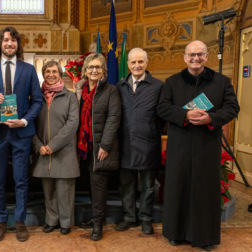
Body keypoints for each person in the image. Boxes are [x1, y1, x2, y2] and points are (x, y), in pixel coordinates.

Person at [157, 40, 240, 251]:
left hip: (207, 144)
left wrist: (211, 118)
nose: (196, 58)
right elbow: (163, 108)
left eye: (200, 54)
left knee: (204, 192)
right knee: (178, 188)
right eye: (192, 55)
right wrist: (185, 114)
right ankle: (175, 233)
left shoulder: (221, 81)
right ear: (185, 57)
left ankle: (204, 238)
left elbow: (232, 107)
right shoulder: (172, 82)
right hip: (180, 145)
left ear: (206, 56)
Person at [0, 26, 43, 242]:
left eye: (14, 40)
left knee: (21, 179)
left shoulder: (28, 69)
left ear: (18, 44)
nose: (9, 44)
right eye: (6, 40)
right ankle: (1, 221)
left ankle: (20, 221)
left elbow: (38, 101)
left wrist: (24, 121)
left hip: (21, 132)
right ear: (0, 43)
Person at [115, 48, 163, 235]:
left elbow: (163, 115)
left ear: (146, 63)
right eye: (133, 62)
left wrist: (151, 129)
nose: (137, 65)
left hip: (148, 144)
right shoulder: (119, 86)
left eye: (140, 62)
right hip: (124, 143)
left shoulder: (158, 86)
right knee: (126, 184)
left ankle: (145, 218)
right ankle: (129, 217)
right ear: (128, 65)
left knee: (148, 186)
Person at [75, 53, 121, 241]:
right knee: (89, 185)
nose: (94, 70)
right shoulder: (80, 90)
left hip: (100, 146)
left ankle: (98, 224)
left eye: (98, 67)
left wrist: (105, 145)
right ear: (85, 71)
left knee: (99, 186)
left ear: (104, 70)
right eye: (90, 67)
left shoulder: (111, 91)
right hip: (84, 146)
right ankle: (96, 218)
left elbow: (113, 119)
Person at [32, 61, 80, 235]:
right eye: (47, 71)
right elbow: (30, 123)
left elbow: (73, 123)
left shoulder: (70, 96)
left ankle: (66, 222)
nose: (50, 74)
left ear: (60, 74)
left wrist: (53, 145)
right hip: (43, 152)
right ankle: (51, 220)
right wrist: (38, 145)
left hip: (63, 151)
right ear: (43, 74)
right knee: (49, 190)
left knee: (64, 190)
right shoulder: (37, 97)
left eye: (54, 71)